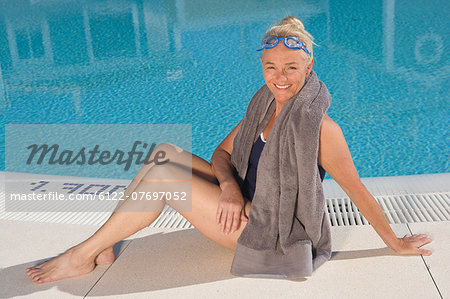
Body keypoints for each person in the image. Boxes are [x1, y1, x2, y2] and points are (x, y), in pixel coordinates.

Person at [26, 16, 432, 284]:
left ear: (309, 68)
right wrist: (230, 189)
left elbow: (357, 189)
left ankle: (84, 254)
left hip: (268, 230)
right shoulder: (264, 104)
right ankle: (99, 250)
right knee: (164, 153)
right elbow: (221, 155)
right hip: (242, 203)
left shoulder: (320, 128)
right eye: (271, 66)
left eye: (291, 67)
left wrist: (394, 243)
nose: (280, 77)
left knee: (165, 178)